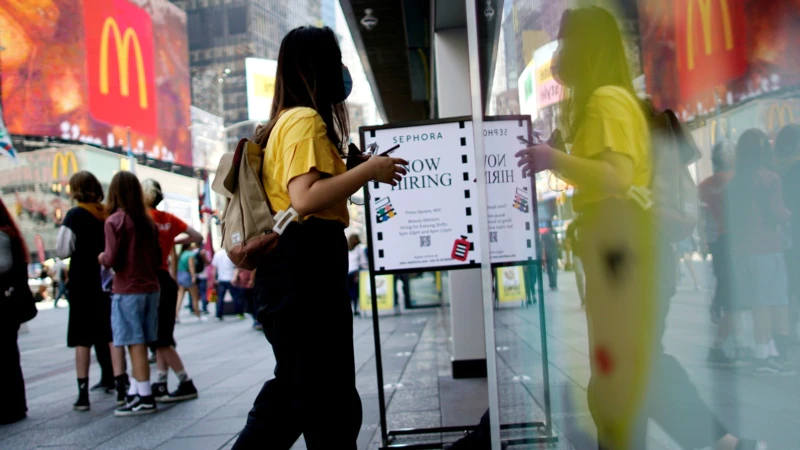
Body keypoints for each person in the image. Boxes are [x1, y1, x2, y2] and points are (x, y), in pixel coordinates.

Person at [515, 7, 765, 450]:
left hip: (624, 246)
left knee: (627, 373)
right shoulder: (607, 100)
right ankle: (724, 443)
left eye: (567, 42)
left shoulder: (605, 100)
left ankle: (724, 443)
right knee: (629, 369)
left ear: (586, 48)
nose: (559, 54)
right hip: (619, 245)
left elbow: (615, 177)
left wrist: (553, 160)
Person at [232, 26, 406, 449]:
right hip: (303, 275)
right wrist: (369, 172)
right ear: (318, 66)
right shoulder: (303, 120)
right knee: (302, 392)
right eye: (336, 58)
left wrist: (352, 164)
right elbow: (304, 198)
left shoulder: (287, 122)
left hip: (301, 274)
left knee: (325, 397)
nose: (342, 70)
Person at [56, 171, 127, 410]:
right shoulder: (107, 212)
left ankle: (83, 394)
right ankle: (120, 388)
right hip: (106, 282)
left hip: (81, 283)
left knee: (81, 339)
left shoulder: (74, 215)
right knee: (110, 335)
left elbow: (63, 250)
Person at [726, 129, 793, 375]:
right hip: (768, 247)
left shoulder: (735, 182)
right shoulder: (770, 179)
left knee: (759, 301)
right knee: (773, 301)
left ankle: (768, 351)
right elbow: (777, 213)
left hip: (743, 251)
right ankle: (764, 356)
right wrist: (789, 215)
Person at [99, 171, 162, 417]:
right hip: (150, 287)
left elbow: (111, 258)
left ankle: (144, 395)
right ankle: (137, 391)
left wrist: (101, 258)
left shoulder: (114, 221)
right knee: (142, 341)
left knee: (133, 342)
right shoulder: (147, 222)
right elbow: (158, 257)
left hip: (127, 289)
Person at [142, 178, 202, 404]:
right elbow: (197, 236)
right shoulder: (168, 219)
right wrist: (173, 241)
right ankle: (161, 381)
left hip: (151, 279)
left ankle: (185, 381)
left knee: (160, 339)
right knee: (163, 335)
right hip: (165, 278)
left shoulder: (143, 218)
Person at [700, 142, 747, 366]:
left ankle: (736, 342)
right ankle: (723, 345)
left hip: (718, 239)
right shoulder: (736, 179)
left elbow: (703, 216)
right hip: (737, 240)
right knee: (733, 294)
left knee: (727, 287)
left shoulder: (705, 185)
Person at [0, 198, 31, 425]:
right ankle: (15, 406)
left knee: (6, 356)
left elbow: (3, 266)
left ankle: (10, 407)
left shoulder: (2, 236)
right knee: (9, 355)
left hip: (3, 304)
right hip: (9, 304)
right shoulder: (9, 233)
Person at [774, 124, 800, 339]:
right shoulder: (796, 170)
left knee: (790, 282)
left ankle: (789, 328)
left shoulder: (774, 171)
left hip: (783, 236)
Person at [176, 243, 204, 322]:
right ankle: (198, 314)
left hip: (180, 275)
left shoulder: (181, 254)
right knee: (195, 296)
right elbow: (191, 266)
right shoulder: (190, 254)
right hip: (187, 276)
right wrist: (193, 276)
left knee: (180, 296)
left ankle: (176, 314)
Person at [211, 248, 236, 320]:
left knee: (220, 297)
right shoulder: (231, 253)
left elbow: (214, 268)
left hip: (221, 278)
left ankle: (219, 314)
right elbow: (235, 266)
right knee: (236, 296)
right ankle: (239, 312)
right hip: (230, 278)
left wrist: (214, 279)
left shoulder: (217, 254)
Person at [565, 221, 585, 307]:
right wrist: (568, 259)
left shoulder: (589, 222)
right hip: (577, 254)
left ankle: (590, 297)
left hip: (589, 254)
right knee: (579, 274)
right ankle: (583, 298)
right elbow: (568, 242)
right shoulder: (572, 226)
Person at [347, 234, 367, 315]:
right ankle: (356, 309)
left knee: (349, 291)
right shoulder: (360, 248)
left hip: (347, 272)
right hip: (355, 272)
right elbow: (363, 262)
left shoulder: (347, 248)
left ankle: (350, 308)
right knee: (356, 291)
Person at [541, 223, 559, 290]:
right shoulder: (554, 233)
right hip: (552, 254)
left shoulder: (544, 234)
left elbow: (542, 245)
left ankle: (552, 284)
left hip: (548, 254)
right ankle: (554, 284)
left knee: (549, 270)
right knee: (553, 270)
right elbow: (557, 243)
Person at [194, 246, 211, 315]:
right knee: (203, 292)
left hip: (195, 275)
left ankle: (194, 308)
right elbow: (208, 262)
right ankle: (204, 308)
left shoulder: (193, 252)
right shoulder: (204, 252)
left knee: (194, 293)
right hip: (203, 275)